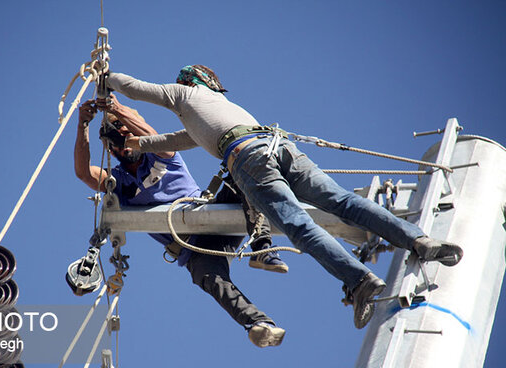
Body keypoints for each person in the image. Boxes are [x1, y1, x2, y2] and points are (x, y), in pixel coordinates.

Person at [103, 65, 464, 329]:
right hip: (277, 145)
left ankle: (359, 280)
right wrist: (137, 143)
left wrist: (104, 80)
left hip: (247, 157)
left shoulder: (183, 94)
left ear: (187, 81)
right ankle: (419, 240)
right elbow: (173, 141)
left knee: (299, 227)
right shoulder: (214, 108)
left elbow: (134, 88)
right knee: (343, 203)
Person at [74, 93, 287, 347]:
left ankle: (262, 249)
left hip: (214, 217)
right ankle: (259, 325)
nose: (122, 143)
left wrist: (117, 111)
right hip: (192, 249)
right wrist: (83, 126)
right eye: (114, 140)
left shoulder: (161, 154)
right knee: (212, 279)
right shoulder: (119, 182)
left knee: (242, 169)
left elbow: (153, 137)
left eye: (124, 133)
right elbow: (84, 174)